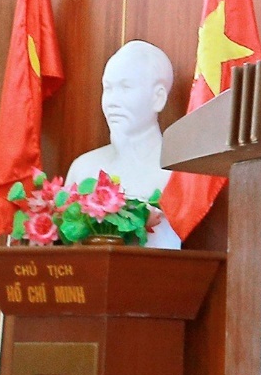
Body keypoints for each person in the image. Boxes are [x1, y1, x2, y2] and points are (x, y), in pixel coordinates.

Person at [65, 40, 182, 248]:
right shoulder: (83, 168)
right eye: (108, 88)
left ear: (158, 98)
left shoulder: (179, 172)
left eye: (126, 88)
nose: (112, 101)